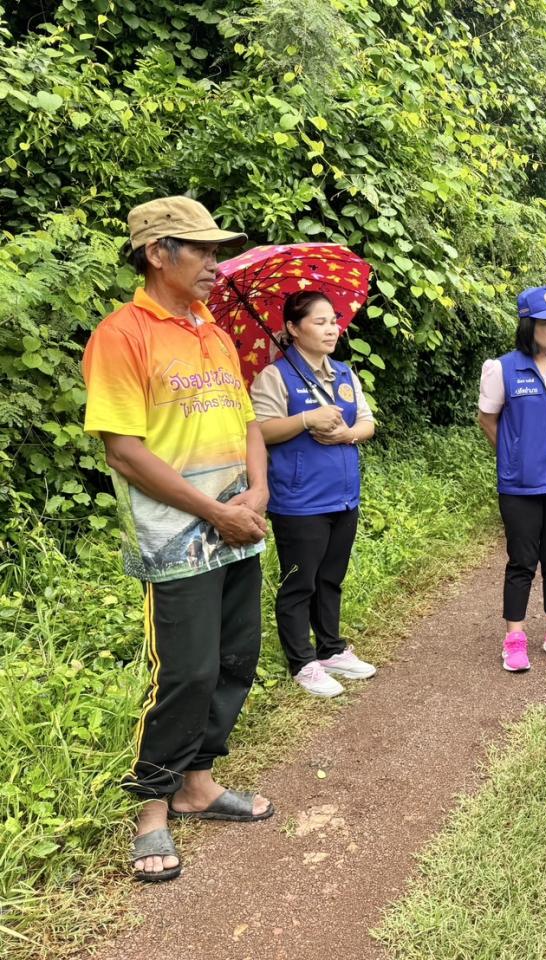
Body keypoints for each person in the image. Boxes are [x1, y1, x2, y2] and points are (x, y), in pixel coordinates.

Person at [82, 196, 273, 884]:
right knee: (185, 670)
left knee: (234, 658)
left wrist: (258, 492)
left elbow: (250, 421)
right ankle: (152, 811)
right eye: (202, 251)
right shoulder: (122, 334)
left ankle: (198, 782)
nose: (215, 265)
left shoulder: (215, 333)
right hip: (176, 540)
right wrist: (214, 512)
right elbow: (125, 451)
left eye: (217, 251)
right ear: (158, 252)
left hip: (238, 530)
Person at [249, 291, 377, 698]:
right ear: (292, 328)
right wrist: (306, 419)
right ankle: (301, 662)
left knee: (330, 578)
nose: (330, 328)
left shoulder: (343, 374)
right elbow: (260, 430)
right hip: (299, 500)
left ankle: (331, 649)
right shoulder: (276, 376)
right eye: (319, 321)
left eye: (333, 320)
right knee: (299, 582)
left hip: (343, 496)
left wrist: (347, 433)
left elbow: (368, 422)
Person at [477, 286, 546, 672]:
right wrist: (513, 456)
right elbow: (487, 419)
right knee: (522, 561)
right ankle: (515, 637)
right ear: (529, 325)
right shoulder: (502, 368)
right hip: (519, 485)